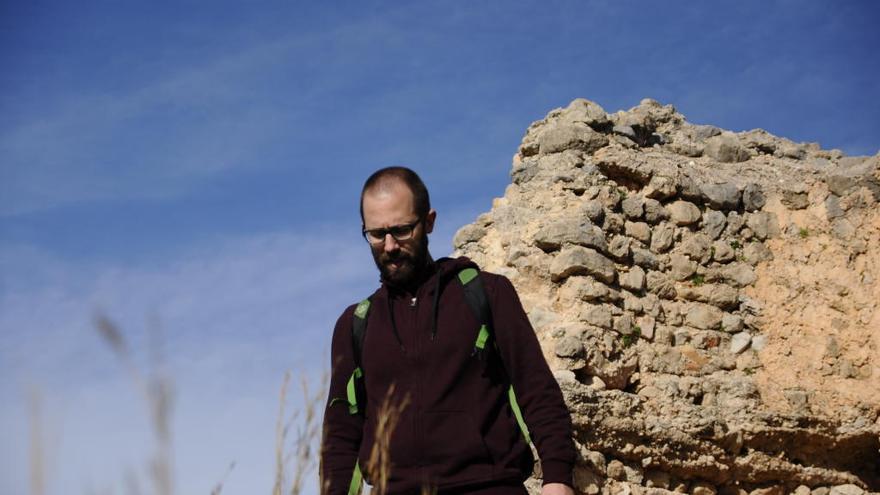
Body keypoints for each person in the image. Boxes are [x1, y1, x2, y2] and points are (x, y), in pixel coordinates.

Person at [321, 167, 576, 495]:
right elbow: (341, 435)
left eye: (401, 230)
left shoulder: (486, 293)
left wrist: (558, 477)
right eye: (375, 233)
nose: (389, 246)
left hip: (490, 487)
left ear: (429, 222)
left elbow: (537, 389)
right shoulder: (355, 324)